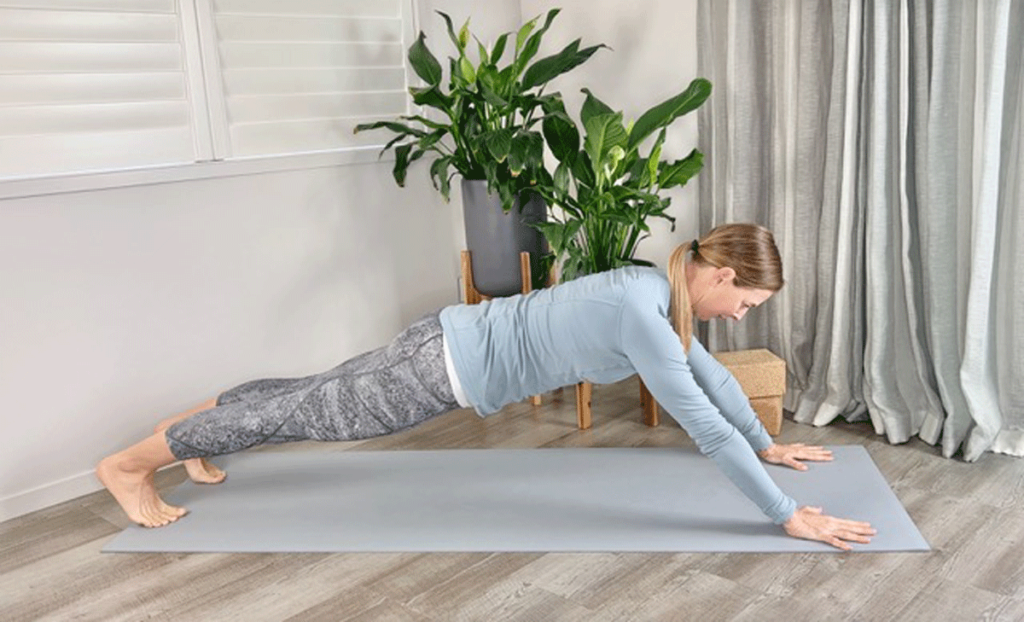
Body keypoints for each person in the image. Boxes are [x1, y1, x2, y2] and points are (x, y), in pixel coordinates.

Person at [97, 223, 876, 550]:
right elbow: (704, 426)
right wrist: (785, 518)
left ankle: (204, 422)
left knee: (308, 393)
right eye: (744, 303)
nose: (738, 317)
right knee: (317, 413)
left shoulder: (653, 290)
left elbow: (712, 382)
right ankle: (130, 466)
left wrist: (767, 442)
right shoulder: (645, 316)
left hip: (440, 342)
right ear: (725, 275)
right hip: (437, 370)